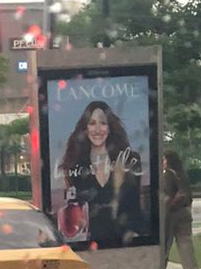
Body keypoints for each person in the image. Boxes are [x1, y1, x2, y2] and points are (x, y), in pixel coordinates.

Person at [58, 100, 145, 247]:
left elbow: (135, 207)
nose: (97, 129)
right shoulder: (75, 165)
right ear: (85, 129)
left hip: (124, 242)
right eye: (92, 123)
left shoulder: (130, 159)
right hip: (89, 245)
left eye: (103, 123)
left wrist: (135, 235)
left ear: (110, 127)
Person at [162, 150, 199, 269]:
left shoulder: (168, 175)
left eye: (164, 159)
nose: (163, 162)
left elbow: (166, 195)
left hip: (171, 212)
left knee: (165, 243)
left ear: (169, 161)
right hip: (185, 211)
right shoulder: (183, 175)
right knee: (185, 242)